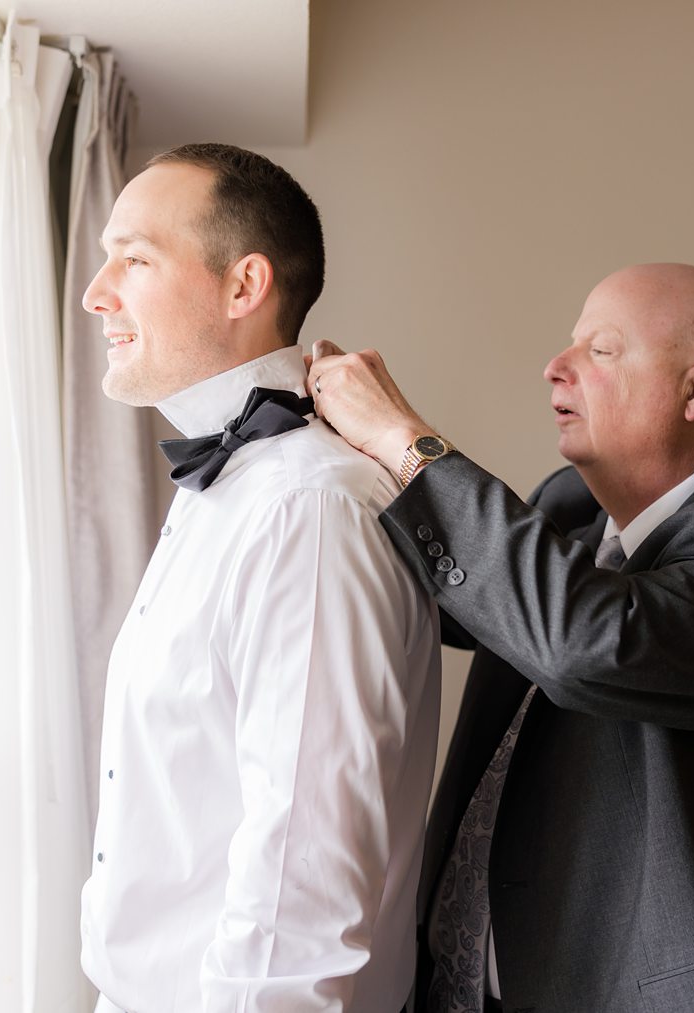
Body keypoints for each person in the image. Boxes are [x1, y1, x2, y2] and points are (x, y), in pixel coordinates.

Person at [306, 263, 694, 1013]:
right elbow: (444, 600)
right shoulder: (571, 506)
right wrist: (326, 463)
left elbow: (586, 639)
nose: (555, 366)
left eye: (601, 351)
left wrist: (404, 439)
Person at [78, 143, 441, 1013]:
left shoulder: (310, 509)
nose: (97, 292)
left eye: (133, 258)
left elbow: (303, 876)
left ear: (244, 287)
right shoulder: (237, 486)